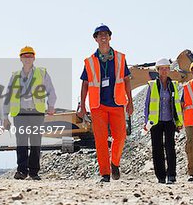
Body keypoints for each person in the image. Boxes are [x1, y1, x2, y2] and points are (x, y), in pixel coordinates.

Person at [77, 24, 134, 182]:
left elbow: (127, 80)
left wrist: (130, 101)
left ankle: (114, 162)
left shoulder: (120, 58)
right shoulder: (89, 61)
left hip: (117, 104)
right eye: (99, 34)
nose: (103, 36)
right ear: (95, 39)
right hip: (98, 106)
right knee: (100, 141)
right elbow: (85, 84)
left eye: (105, 34)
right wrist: (82, 105)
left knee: (120, 137)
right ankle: (105, 173)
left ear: (110, 37)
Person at [3, 46, 57, 180]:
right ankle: (21, 171)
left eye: (30, 56)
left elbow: (51, 91)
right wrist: (5, 116)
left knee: (35, 142)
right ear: (20, 59)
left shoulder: (42, 73)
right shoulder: (15, 76)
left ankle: (33, 172)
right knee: (21, 142)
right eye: (25, 56)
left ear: (34, 58)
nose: (27, 58)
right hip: (20, 113)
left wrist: (51, 106)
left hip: (36, 112)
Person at [143, 58, 183, 184]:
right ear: (158, 70)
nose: (164, 70)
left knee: (170, 148)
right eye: (162, 68)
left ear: (169, 69)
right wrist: (146, 122)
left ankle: (171, 175)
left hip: (169, 121)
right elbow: (147, 104)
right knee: (157, 149)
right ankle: (161, 176)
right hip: (155, 122)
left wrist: (178, 122)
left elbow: (177, 104)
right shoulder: (153, 85)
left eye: (166, 68)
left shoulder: (173, 85)